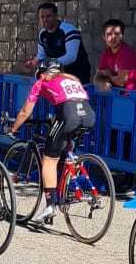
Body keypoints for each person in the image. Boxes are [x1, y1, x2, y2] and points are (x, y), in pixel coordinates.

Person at [6, 58, 97, 228]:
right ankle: (70, 185)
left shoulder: (41, 82)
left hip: (69, 115)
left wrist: (13, 129)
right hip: (89, 115)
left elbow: (26, 111)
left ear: (42, 73)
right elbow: (69, 100)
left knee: (48, 160)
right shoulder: (71, 79)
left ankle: (50, 206)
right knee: (64, 148)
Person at [24, 1, 91, 83]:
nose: (45, 20)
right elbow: (41, 55)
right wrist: (34, 62)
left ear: (56, 16)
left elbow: (71, 56)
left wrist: (49, 65)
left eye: (48, 16)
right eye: (42, 17)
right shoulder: (42, 33)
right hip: (57, 76)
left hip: (77, 75)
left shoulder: (69, 30)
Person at [97, 17, 136, 93]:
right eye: (109, 34)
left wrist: (108, 75)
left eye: (117, 34)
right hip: (120, 96)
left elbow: (120, 82)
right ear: (104, 37)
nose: (113, 37)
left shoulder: (126, 52)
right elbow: (97, 77)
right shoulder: (107, 52)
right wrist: (102, 82)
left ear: (122, 36)